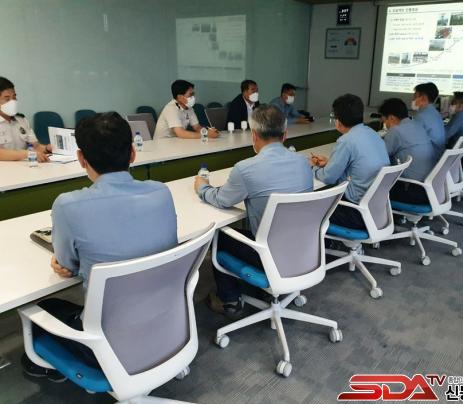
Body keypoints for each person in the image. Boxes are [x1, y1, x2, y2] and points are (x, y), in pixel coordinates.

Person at [22, 112, 178, 382]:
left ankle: (51, 366)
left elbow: (68, 266)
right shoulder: (161, 192)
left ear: (81, 158)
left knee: (46, 309)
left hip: (106, 347)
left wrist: (64, 263)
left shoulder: (68, 206)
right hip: (168, 324)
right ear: (132, 153)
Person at [194, 104, 312, 319]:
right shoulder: (304, 163)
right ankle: (268, 289)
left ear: (254, 135)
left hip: (270, 256)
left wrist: (202, 187)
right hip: (304, 249)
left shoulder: (246, 168)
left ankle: (229, 300)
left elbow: (221, 200)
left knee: (219, 235)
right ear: (285, 134)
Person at [310, 94, 389, 230]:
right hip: (377, 210)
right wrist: (330, 163)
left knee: (310, 208)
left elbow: (329, 177)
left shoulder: (347, 141)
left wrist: (313, 169)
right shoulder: (373, 134)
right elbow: (358, 165)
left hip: (354, 212)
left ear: (338, 121)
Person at [379, 98, 438, 205]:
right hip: (431, 188)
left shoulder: (395, 131)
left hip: (412, 191)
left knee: (369, 188)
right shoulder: (417, 125)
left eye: (384, 121)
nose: (384, 124)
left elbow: (380, 157)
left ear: (391, 117)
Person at [0, 76, 51, 162]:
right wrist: (26, 154)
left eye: (14, 97)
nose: (12, 101)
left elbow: (35, 146)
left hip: (24, 166)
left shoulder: (22, 120)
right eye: (7, 98)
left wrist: (47, 148)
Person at [153, 79, 219, 139]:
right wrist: (206, 135)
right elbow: (181, 133)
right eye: (190, 95)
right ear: (180, 97)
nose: (193, 97)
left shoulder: (189, 108)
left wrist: (208, 132)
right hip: (162, 144)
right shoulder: (171, 109)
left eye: (193, 94)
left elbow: (197, 127)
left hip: (176, 141)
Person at [412, 82, 446, 155]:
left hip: (429, 156)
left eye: (415, 96)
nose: (413, 99)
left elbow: (413, 140)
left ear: (423, 98)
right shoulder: (435, 112)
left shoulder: (421, 116)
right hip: (439, 153)